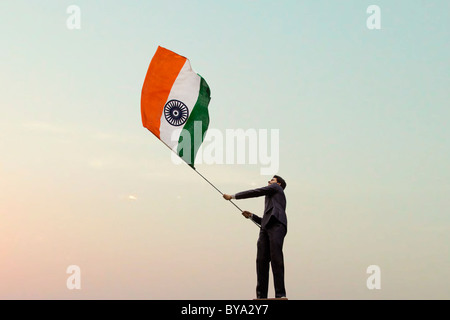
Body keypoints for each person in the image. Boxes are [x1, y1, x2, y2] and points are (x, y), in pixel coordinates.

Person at [223, 175, 287, 299]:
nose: (269, 181)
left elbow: (256, 192)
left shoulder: (276, 188)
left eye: (272, 180)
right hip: (266, 227)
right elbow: (266, 219)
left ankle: (280, 294)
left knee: (276, 258)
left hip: (277, 224)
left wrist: (233, 196)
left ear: (278, 184)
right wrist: (252, 216)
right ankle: (261, 296)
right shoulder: (271, 200)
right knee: (261, 261)